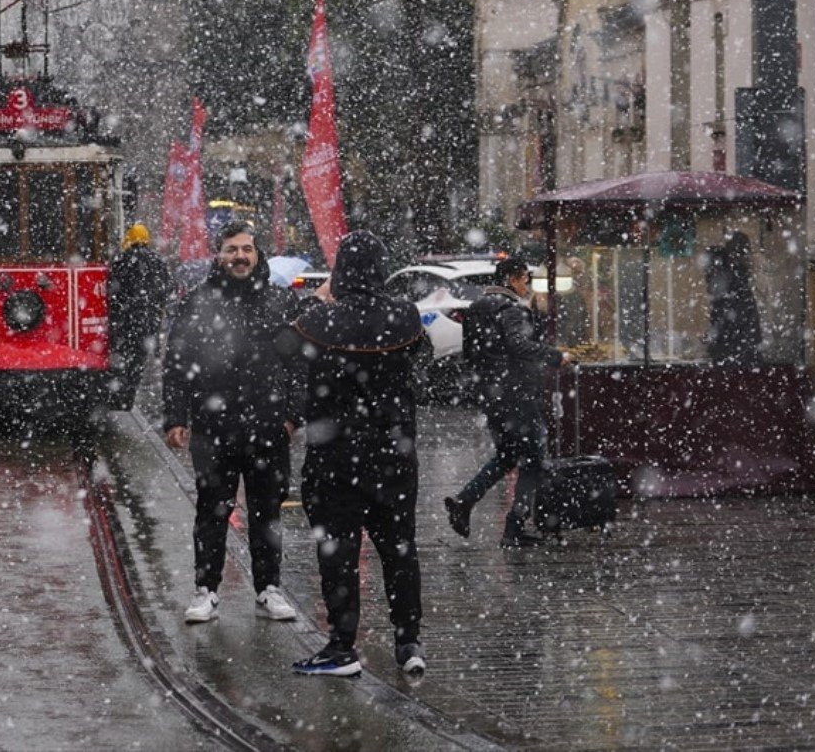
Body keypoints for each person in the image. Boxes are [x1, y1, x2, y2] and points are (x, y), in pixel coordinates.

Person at [280, 230, 428, 677]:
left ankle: (342, 646)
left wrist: (319, 301)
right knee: (399, 549)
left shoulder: (321, 320)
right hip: (394, 455)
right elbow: (419, 358)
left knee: (339, 554)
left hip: (335, 457)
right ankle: (409, 642)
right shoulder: (404, 316)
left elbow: (283, 347)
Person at [162, 221, 300, 624]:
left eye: (247, 249)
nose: (239, 256)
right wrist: (175, 417)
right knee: (211, 510)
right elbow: (177, 365)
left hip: (268, 427)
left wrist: (293, 416)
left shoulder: (280, 302)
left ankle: (269, 587)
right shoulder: (199, 302)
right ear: (219, 255)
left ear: (258, 255)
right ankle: (206, 589)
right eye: (231, 249)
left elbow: (300, 365)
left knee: (266, 512)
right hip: (213, 427)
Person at [444, 257, 571, 547]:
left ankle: (464, 501)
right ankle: (514, 528)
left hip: (492, 396)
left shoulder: (476, 308)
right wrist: (555, 356)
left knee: (507, 455)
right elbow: (518, 344)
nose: (526, 285)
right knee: (534, 460)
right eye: (524, 279)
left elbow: (471, 354)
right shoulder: (509, 308)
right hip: (517, 395)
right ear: (512, 279)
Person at [106, 223, 175, 411]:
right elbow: (168, 289)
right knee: (138, 361)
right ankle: (128, 399)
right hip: (148, 321)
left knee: (121, 358)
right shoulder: (158, 261)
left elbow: (112, 290)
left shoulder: (121, 259)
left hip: (123, 321)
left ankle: (117, 397)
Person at [706, 231, 762, 365]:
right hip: (741, 352)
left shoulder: (733, 283)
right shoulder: (738, 282)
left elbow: (728, 322)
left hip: (736, 353)